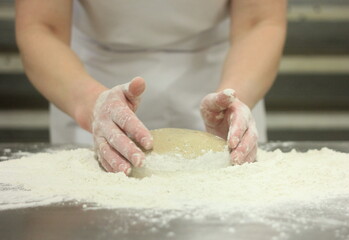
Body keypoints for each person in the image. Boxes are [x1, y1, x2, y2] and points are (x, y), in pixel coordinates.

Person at [15, 0, 287, 174]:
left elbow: (260, 21)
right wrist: (90, 103)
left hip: (218, 73)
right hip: (91, 82)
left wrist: (233, 98)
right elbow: (41, 27)